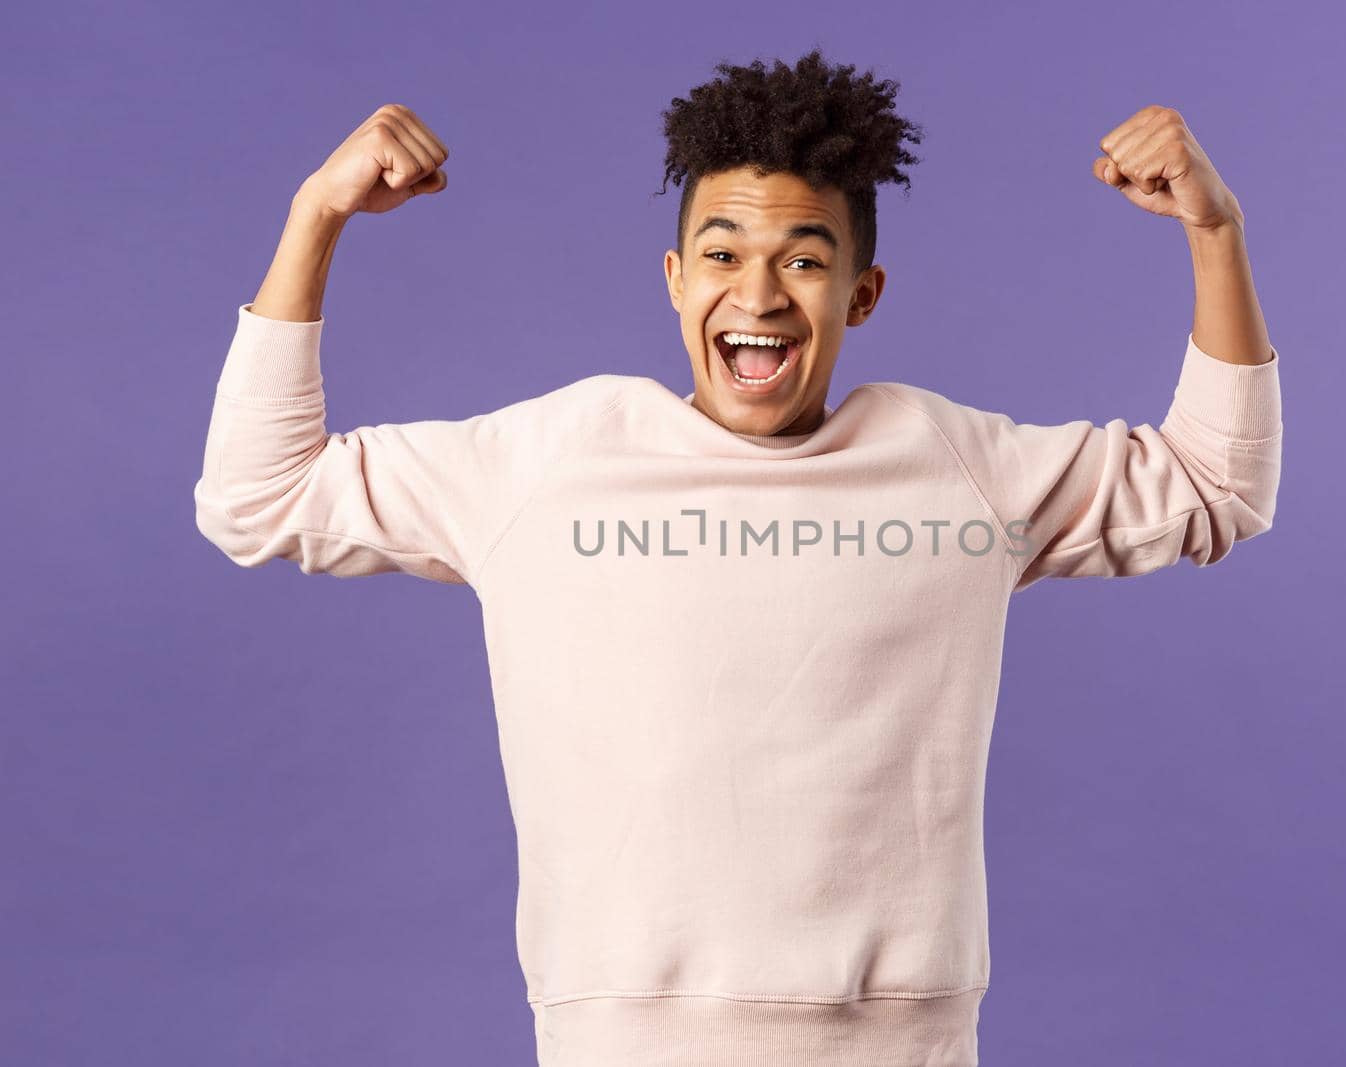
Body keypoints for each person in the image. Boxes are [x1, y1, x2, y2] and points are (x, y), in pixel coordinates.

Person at [194, 49, 1281, 1067]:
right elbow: (258, 496)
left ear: (860, 294)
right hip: (619, 1039)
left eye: (802, 260)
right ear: (674, 278)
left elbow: (1214, 485)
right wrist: (317, 215)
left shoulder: (955, 466)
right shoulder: (548, 460)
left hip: (895, 1039)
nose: (757, 295)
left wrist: (1214, 230)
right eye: (722, 254)